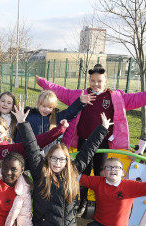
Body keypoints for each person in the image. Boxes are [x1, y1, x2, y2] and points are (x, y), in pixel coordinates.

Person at [13, 103, 112, 226]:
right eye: (54, 159)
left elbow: (88, 151)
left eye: (62, 160)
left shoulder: (73, 174)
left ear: (67, 161)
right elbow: (32, 149)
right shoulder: (41, 174)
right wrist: (23, 123)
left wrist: (102, 129)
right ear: (48, 160)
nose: (58, 163)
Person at [36, 64, 146, 217]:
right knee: (83, 172)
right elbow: (60, 91)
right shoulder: (80, 95)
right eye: (93, 81)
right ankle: (82, 203)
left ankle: (101, 203)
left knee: (102, 173)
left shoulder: (115, 97)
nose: (96, 84)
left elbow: (138, 98)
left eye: (99, 81)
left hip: (104, 142)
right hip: (84, 141)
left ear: (105, 80)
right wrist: (43, 82)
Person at [14, 90, 96, 150]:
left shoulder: (55, 117)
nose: (46, 109)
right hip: (32, 153)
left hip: (49, 154)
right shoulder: (30, 117)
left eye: (50, 107)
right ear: (38, 104)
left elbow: (69, 112)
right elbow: (21, 135)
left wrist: (80, 102)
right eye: (44, 106)